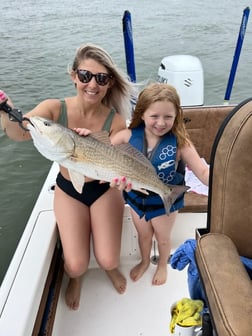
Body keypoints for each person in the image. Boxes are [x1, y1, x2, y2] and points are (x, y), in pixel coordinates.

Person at [0, 43, 135, 310]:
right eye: (85, 76)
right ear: (74, 75)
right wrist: (6, 111)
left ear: (109, 83)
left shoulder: (116, 120)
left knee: (109, 260)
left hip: (104, 189)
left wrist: (123, 181)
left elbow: (123, 161)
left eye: (101, 78)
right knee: (75, 265)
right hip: (68, 189)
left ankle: (108, 270)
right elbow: (21, 132)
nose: (92, 85)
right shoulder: (53, 109)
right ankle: (76, 279)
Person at [110, 82, 209, 286]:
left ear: (177, 116)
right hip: (137, 201)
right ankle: (145, 260)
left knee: (163, 239)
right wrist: (81, 139)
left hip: (166, 202)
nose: (161, 123)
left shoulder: (181, 143)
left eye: (168, 117)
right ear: (142, 114)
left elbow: (203, 171)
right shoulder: (126, 137)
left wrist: (229, 181)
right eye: (154, 116)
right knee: (143, 236)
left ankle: (162, 263)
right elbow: (100, 152)